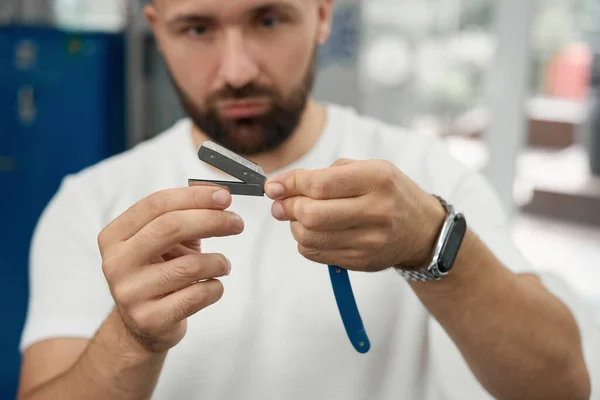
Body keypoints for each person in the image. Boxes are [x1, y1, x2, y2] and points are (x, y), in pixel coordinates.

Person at [16, 1, 599, 399]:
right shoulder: (90, 204)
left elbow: (562, 386)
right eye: (197, 28)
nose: (238, 70)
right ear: (156, 27)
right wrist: (131, 336)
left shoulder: (424, 176)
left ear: (321, 14)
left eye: (268, 19)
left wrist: (433, 242)